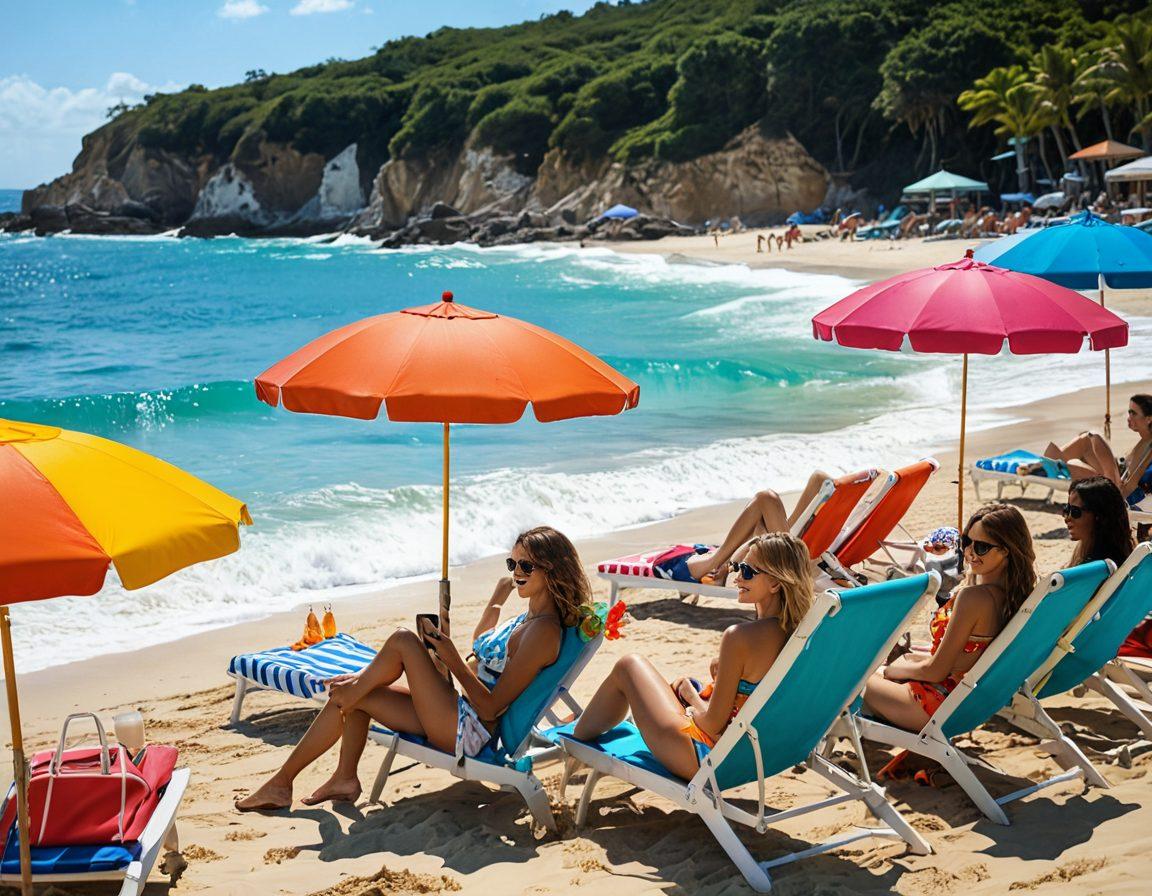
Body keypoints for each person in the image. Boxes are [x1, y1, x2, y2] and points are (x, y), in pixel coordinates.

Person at [236, 526, 591, 811]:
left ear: (552, 570)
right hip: (457, 712)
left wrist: (451, 659)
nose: (516, 573)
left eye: (526, 566)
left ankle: (288, 777)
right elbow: (484, 646)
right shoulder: (529, 617)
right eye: (512, 564)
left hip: (470, 730)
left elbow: (491, 707)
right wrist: (496, 601)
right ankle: (339, 779)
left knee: (402, 641)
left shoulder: (543, 632)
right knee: (358, 696)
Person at [571, 532, 814, 780]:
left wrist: (691, 698)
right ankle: (582, 734)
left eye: (748, 572)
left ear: (775, 584)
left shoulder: (740, 637)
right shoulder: (802, 633)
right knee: (671, 685)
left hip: (708, 759)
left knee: (629, 665)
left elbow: (711, 724)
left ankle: (574, 744)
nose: (738, 577)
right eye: (737, 567)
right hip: (759, 755)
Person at [861, 503, 1036, 732]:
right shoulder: (1018, 597)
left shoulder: (974, 599)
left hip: (933, 706)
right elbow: (965, 657)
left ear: (1006, 550)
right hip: (966, 706)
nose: (970, 552)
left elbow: (935, 671)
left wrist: (892, 670)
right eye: (966, 542)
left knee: (847, 678)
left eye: (982, 547)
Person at [656, 470, 833, 586]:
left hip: (785, 563)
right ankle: (720, 563)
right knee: (815, 480)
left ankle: (717, 564)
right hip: (803, 555)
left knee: (768, 497)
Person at [1026, 394, 1152, 502]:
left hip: (1116, 488)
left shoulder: (1149, 447)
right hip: (1117, 475)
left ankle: (1045, 466)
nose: (1129, 417)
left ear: (1149, 419)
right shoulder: (1145, 439)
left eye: (1134, 413)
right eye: (1129, 412)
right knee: (1086, 440)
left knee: (1092, 437)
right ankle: (1046, 466)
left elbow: (1131, 485)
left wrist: (1117, 488)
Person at [1064, 476, 1134, 567]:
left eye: (1075, 511)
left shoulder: (1095, 567)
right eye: (1067, 509)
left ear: (1099, 516)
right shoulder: (1122, 552)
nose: (1067, 519)